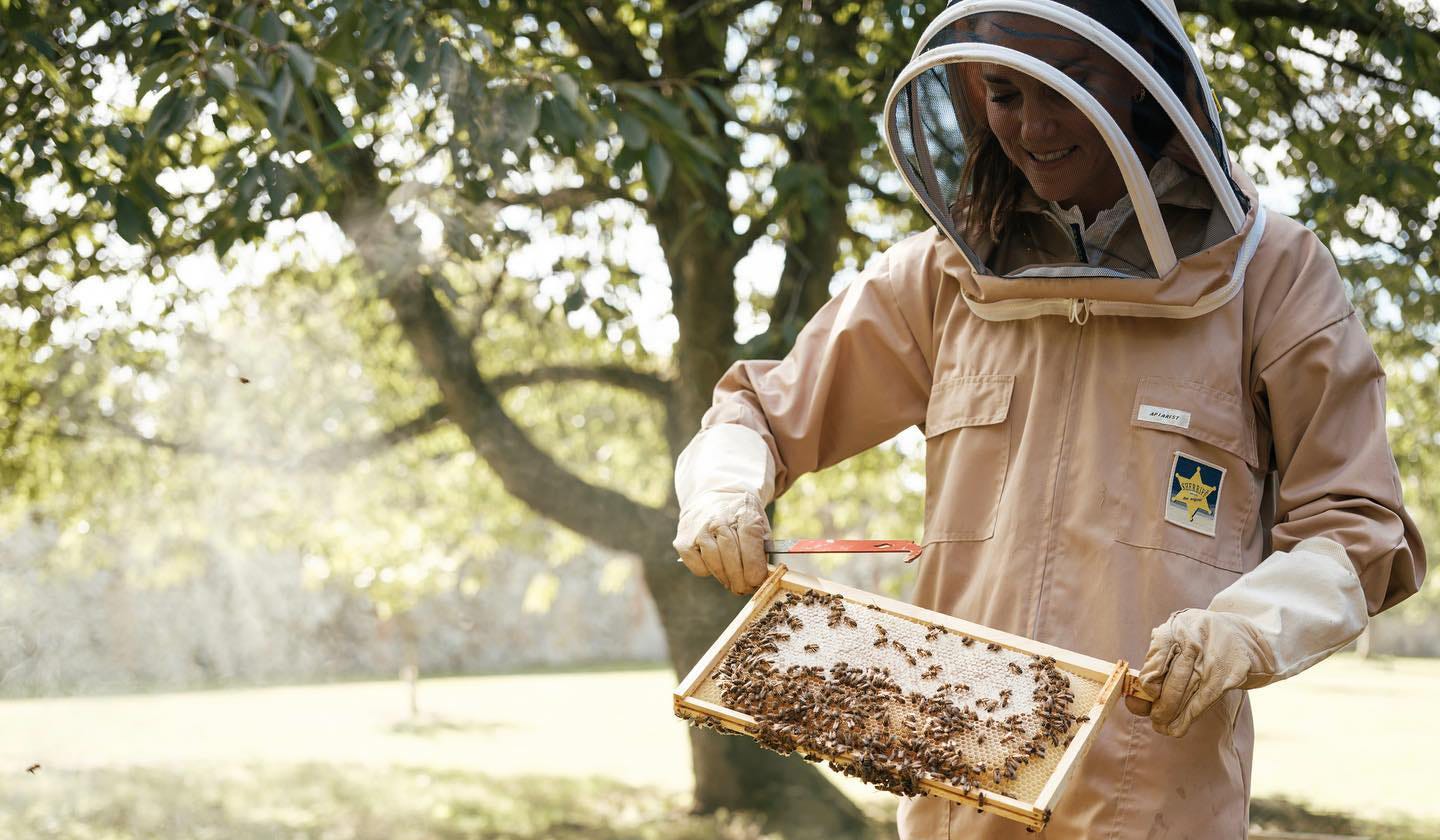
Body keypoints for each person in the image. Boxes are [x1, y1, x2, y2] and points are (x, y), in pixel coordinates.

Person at [671, 0, 1428, 838]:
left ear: (1144, 82)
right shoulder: (937, 279)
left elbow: (1359, 530)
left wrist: (1245, 631)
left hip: (1154, 803)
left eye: (1070, 87)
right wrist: (724, 491)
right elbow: (757, 412)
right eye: (1004, 91)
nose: (1032, 125)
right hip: (958, 798)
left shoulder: (1272, 276)